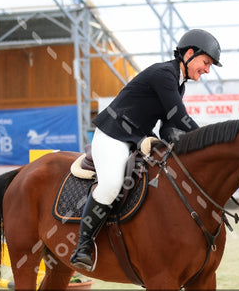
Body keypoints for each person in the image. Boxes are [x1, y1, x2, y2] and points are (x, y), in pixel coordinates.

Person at [69, 29, 222, 271]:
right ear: (190, 54)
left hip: (135, 138)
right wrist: (213, 141)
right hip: (112, 135)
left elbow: (170, 128)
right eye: (205, 63)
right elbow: (180, 118)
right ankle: (83, 246)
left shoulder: (177, 83)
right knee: (110, 185)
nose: (206, 70)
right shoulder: (164, 74)